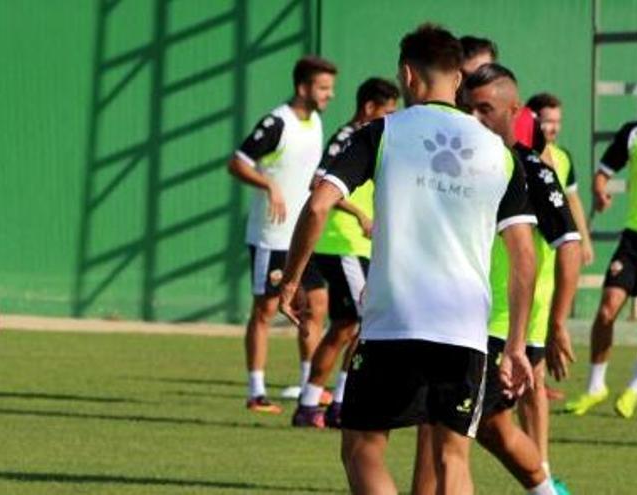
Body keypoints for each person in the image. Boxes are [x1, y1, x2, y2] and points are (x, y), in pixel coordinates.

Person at [279, 24, 536, 494]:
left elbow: (318, 205)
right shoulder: (500, 154)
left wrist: (292, 281)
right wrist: (516, 343)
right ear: (458, 80)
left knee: (361, 447)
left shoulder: (382, 132)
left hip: (393, 323)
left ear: (407, 75)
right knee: (452, 459)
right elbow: (523, 253)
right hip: (464, 329)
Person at [413, 63, 581, 495]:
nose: (475, 119)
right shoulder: (454, 162)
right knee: (491, 427)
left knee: (443, 434)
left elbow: (569, 244)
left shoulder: (529, 169)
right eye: (468, 108)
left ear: (514, 110)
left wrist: (555, 323)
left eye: (486, 109)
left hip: (495, 328)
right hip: (453, 319)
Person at [228, 56, 336, 413]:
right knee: (266, 310)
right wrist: (269, 184)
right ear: (303, 87)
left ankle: (310, 384)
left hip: (302, 237)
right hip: (270, 236)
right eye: (323, 88)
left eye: (330, 88)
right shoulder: (278, 122)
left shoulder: (316, 122)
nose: (329, 95)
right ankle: (256, 392)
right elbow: (237, 162)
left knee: (316, 304)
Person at [291, 77, 399, 428]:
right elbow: (318, 185)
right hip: (342, 243)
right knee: (362, 323)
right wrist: (360, 214)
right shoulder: (349, 137)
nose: (392, 118)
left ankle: (319, 404)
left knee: (346, 326)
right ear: (369, 108)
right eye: (388, 111)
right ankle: (330, 404)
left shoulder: (376, 140)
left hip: (356, 246)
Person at [566, 116, 637, 419]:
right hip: (633, 240)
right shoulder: (633, 132)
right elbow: (604, 172)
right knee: (608, 308)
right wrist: (599, 190)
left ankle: (634, 389)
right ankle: (596, 386)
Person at [526, 92, 594, 267]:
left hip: (554, 251)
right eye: (548, 122)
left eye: (558, 122)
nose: (554, 128)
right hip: (524, 246)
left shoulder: (563, 157)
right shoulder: (518, 154)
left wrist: (584, 240)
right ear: (533, 119)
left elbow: (572, 200)